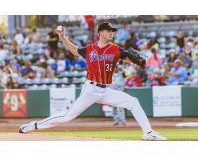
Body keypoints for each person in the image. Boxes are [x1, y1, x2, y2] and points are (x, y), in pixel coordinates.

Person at [19, 22, 166, 141]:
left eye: (113, 31)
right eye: (109, 31)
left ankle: (148, 133)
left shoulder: (116, 49)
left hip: (105, 90)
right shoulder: (90, 49)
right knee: (67, 117)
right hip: (91, 89)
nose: (112, 33)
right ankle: (33, 126)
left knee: (133, 102)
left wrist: (141, 60)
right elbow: (75, 50)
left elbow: (138, 62)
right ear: (101, 33)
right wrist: (63, 37)